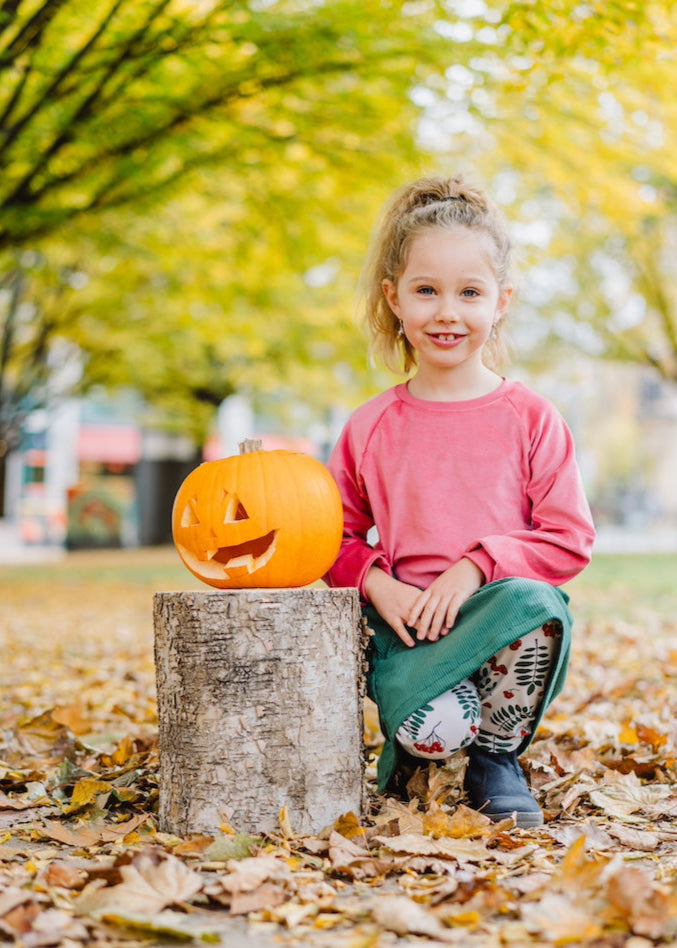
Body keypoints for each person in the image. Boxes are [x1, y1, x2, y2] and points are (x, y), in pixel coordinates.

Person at [324, 174, 596, 828]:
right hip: (410, 630)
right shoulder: (369, 427)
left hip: (498, 620)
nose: (447, 312)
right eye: (426, 291)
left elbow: (568, 539)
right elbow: (326, 536)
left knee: (534, 602)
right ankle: (431, 741)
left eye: (468, 293)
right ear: (393, 298)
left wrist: (476, 564)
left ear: (500, 301)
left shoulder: (531, 418)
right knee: (434, 729)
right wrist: (378, 585)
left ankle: (496, 756)